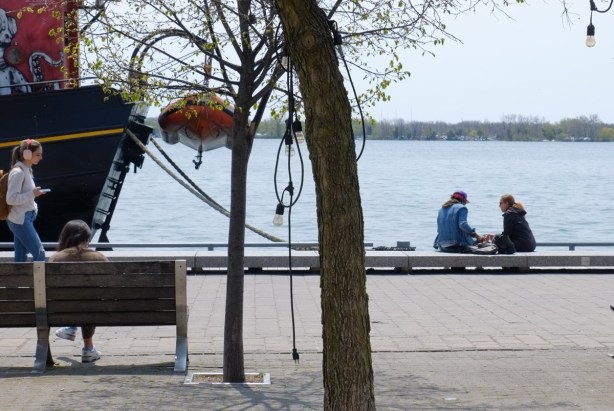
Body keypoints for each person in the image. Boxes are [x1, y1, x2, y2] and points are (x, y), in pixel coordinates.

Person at [51, 219, 108, 363]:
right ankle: (88, 349)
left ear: (65, 237)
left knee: (79, 299)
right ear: (86, 238)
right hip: (97, 310)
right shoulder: (99, 257)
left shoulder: (55, 259)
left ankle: (71, 327)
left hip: (60, 311)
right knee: (90, 299)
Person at [6, 138, 47, 262]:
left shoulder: (27, 170)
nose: (41, 158)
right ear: (27, 154)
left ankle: (17, 281)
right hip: (20, 220)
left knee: (20, 259)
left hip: (24, 218)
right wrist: (32, 194)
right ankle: (39, 282)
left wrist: (34, 195)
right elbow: (11, 199)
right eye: (38, 154)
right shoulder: (18, 173)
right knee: (40, 254)